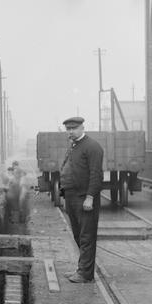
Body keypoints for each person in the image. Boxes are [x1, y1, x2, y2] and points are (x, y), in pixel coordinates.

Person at [59, 116, 103, 283]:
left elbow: (96, 175)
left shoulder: (92, 147)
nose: (70, 131)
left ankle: (85, 274)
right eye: (68, 129)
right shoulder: (74, 145)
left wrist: (90, 197)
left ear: (82, 127)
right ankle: (82, 269)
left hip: (84, 198)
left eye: (74, 128)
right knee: (78, 235)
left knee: (86, 236)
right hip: (71, 196)